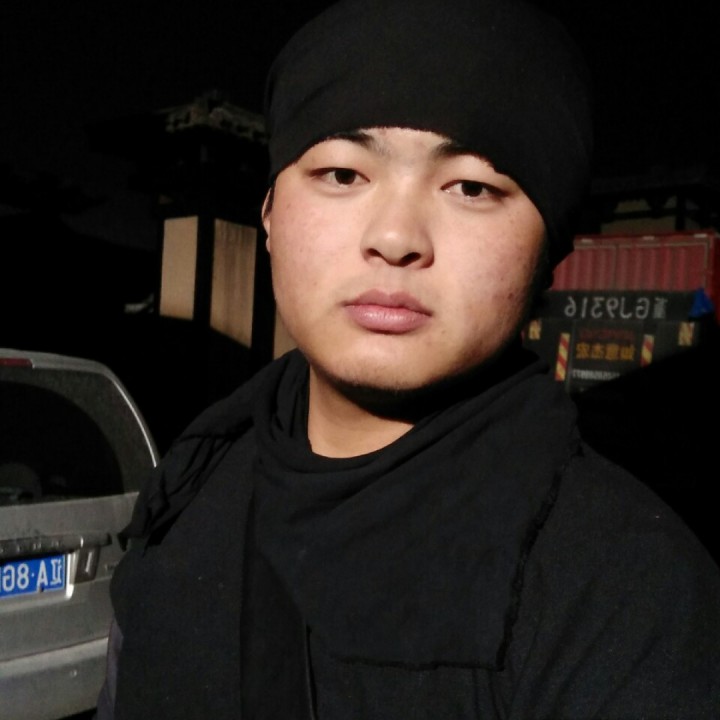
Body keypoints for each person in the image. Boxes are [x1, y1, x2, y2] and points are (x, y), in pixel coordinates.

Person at [95, 0, 720, 717]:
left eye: (472, 188)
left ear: (549, 250)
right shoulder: (189, 495)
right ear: (268, 212)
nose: (395, 238)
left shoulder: (629, 600)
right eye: (342, 174)